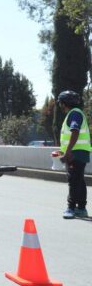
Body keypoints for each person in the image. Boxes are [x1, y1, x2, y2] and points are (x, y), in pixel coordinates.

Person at [52, 90, 89, 219]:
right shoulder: (76, 114)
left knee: (73, 180)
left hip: (75, 153)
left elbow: (75, 132)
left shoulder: (74, 114)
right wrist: (62, 151)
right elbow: (71, 137)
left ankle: (71, 208)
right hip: (79, 152)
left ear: (64, 103)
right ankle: (82, 209)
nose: (60, 105)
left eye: (60, 103)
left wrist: (67, 152)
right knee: (79, 180)